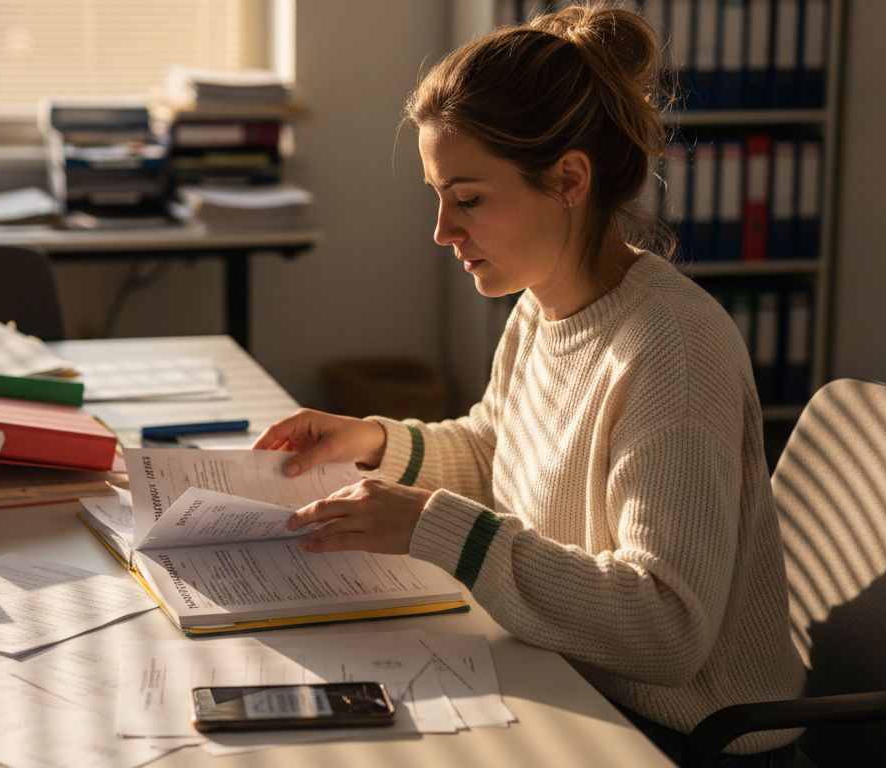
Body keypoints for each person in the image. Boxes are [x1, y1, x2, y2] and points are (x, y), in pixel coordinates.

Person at [252, 4, 805, 765]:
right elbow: (498, 453)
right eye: (438, 195)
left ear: (569, 179)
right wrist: (374, 441)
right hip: (572, 680)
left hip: (681, 736)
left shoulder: (671, 349)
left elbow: (667, 626)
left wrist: (431, 525)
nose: (443, 230)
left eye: (469, 198)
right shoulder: (544, 305)